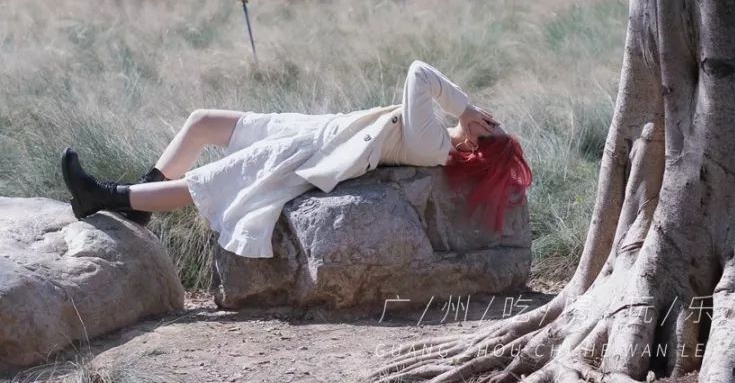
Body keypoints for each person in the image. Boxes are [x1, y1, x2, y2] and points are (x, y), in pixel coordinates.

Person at [60, 60, 532, 258]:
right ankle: (140, 203)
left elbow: (418, 72)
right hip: (318, 127)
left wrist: (464, 108)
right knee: (203, 122)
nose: (487, 118)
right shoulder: (438, 141)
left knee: (213, 180)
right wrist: (469, 114)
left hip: (317, 148)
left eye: (491, 127)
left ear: (475, 145)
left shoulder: (435, 144)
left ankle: (103, 196)